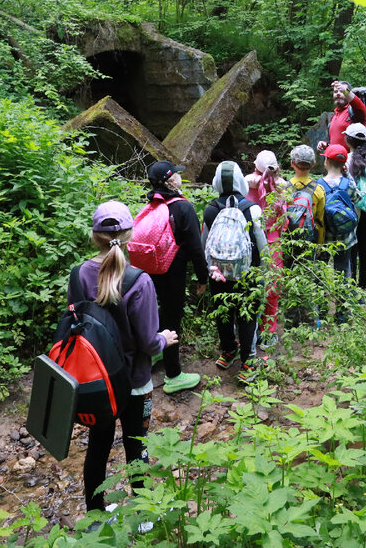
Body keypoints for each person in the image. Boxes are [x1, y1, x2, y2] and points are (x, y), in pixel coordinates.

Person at [70, 201, 177, 512]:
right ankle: (144, 514)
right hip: (134, 381)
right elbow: (147, 341)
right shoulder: (138, 280)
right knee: (136, 446)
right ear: (130, 236)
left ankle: (95, 514)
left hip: (95, 383)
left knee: (97, 448)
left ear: (93, 235)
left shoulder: (78, 275)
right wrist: (164, 340)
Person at [143, 160, 207, 394]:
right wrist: (203, 277)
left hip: (150, 269)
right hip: (172, 271)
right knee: (173, 319)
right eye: (177, 175)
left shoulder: (152, 202)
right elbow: (195, 248)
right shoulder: (182, 207)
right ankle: (173, 375)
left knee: (155, 311)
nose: (181, 177)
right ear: (171, 181)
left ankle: (153, 351)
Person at [202, 161, 269, 381]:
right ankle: (249, 360)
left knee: (223, 313)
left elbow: (206, 245)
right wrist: (265, 270)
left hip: (218, 274)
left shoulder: (210, 209)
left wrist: (207, 271)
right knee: (248, 314)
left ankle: (228, 351)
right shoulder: (252, 208)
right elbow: (262, 244)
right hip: (248, 272)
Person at [244, 150, 288, 342]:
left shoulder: (244, 186)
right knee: (272, 286)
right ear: (277, 168)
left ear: (255, 167)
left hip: (250, 243)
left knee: (248, 285)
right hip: (273, 242)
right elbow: (283, 221)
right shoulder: (281, 188)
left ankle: (247, 330)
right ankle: (268, 330)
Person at [315, 145, 360, 282]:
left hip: (325, 237)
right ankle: (342, 300)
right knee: (343, 270)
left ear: (326, 161)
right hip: (345, 237)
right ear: (344, 165)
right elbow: (358, 198)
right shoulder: (348, 184)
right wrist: (347, 175)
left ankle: (319, 301)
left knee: (320, 269)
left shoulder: (318, 185)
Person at [344, 122, 366, 291]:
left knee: (352, 248)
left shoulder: (347, 160)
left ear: (347, 139)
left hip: (351, 210)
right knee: (365, 249)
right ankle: (361, 288)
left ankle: (351, 287)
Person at [316, 80, 366, 156]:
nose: (338, 94)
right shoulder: (334, 116)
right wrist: (327, 145)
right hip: (336, 162)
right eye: (336, 91)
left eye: (341, 91)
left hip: (353, 162)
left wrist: (345, 91)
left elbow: (360, 106)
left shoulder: (355, 112)